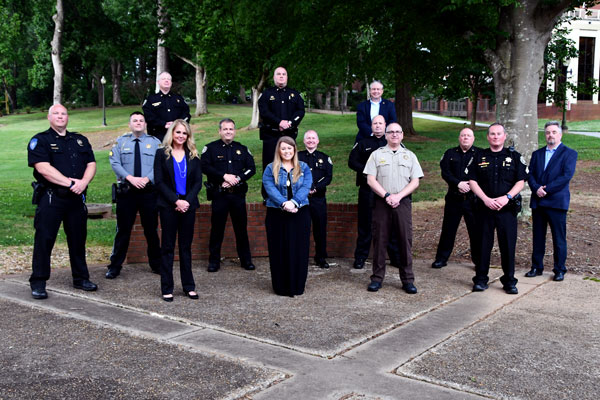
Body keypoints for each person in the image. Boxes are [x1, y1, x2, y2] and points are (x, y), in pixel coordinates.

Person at [27, 104, 97, 299]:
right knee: (45, 239)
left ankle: (81, 278)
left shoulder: (80, 140)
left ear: (68, 117)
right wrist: (70, 183)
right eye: (56, 113)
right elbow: (43, 168)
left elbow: (91, 163)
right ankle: (38, 282)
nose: (60, 116)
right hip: (52, 198)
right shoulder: (40, 140)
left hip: (76, 198)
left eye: (63, 113)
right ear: (49, 117)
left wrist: (83, 183)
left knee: (78, 239)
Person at [467, 122, 528, 294]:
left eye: (498, 134)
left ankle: (509, 281)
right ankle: (480, 279)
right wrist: (485, 199)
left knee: (508, 246)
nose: (495, 137)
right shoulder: (479, 156)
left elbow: (521, 181)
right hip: (484, 208)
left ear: (504, 136)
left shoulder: (514, 157)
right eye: (492, 134)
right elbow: (472, 181)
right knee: (482, 245)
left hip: (506, 209)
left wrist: (506, 197)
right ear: (488, 137)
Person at [363, 123, 423, 294]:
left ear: (402, 135)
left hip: (402, 202)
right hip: (382, 202)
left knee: (405, 240)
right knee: (380, 240)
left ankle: (408, 280)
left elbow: (415, 181)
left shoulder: (410, 156)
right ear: (386, 135)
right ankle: (377, 278)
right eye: (391, 132)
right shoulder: (376, 155)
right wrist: (387, 196)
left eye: (398, 132)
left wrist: (398, 196)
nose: (394, 135)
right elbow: (371, 180)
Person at [106, 112, 162, 279]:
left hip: (148, 192)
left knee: (151, 230)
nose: (138, 123)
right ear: (130, 124)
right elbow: (114, 162)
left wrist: (146, 179)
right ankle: (115, 266)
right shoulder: (120, 142)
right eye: (135, 120)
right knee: (123, 230)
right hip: (127, 192)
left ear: (145, 124)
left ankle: (156, 264)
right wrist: (130, 178)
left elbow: (159, 164)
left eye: (141, 120)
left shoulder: (155, 143)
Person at [154, 120, 203, 302]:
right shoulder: (161, 154)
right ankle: (167, 287)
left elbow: (198, 182)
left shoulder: (194, 155)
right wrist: (176, 201)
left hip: (188, 207)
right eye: (178, 132)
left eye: (184, 133)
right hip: (169, 206)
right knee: (167, 247)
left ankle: (188, 286)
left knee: (185, 248)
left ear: (188, 136)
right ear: (172, 134)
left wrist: (186, 202)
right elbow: (159, 182)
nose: (181, 136)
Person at [201, 118, 256, 272]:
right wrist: (223, 177)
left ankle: (246, 260)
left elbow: (251, 168)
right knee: (217, 229)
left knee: (241, 230)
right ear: (219, 131)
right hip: (220, 195)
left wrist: (237, 179)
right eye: (225, 129)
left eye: (231, 129)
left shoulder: (242, 149)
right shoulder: (210, 149)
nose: (228, 132)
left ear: (235, 131)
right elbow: (204, 166)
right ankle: (214, 262)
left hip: (237, 195)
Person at [526, 121, 577, 282]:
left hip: (557, 202)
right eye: (548, 132)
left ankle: (559, 269)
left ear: (560, 134)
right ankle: (536, 267)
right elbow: (530, 174)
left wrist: (545, 189)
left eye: (554, 132)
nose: (550, 135)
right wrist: (536, 188)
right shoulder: (537, 154)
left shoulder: (569, 154)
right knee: (538, 237)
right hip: (539, 203)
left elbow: (566, 176)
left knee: (558, 238)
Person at [348, 115, 401, 269]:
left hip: (388, 190)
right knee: (365, 224)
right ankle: (360, 258)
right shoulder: (362, 143)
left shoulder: (392, 143)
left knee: (390, 223)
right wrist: (368, 171)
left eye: (380, 123)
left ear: (385, 125)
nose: (378, 126)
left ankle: (395, 257)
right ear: (371, 126)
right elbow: (352, 162)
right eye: (375, 123)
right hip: (367, 189)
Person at [262, 137, 313, 296]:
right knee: (279, 249)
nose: (287, 151)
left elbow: (306, 186)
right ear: (279, 150)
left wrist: (295, 202)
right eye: (283, 148)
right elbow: (269, 188)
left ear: (294, 150)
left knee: (299, 250)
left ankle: (297, 286)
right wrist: (284, 204)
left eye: (289, 148)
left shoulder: (304, 167)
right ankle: (281, 287)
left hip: (300, 213)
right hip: (277, 214)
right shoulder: (270, 169)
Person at [432, 128, 481, 269]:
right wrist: (457, 183)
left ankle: (478, 261)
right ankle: (441, 259)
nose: (466, 138)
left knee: (475, 231)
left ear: (473, 138)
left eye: (468, 136)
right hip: (454, 198)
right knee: (448, 230)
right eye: (463, 135)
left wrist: (471, 185)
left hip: (473, 200)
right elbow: (445, 173)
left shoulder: (480, 154)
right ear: (459, 138)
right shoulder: (450, 153)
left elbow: (483, 175)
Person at [258, 67, 305, 198]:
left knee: (289, 165)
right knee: (269, 165)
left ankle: (289, 194)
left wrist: (290, 123)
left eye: (284, 74)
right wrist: (279, 122)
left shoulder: (294, 94)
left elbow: (300, 111)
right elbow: (264, 111)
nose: (281, 76)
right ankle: (267, 196)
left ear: (287, 77)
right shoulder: (267, 94)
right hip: (270, 136)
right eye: (278, 74)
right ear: (274, 77)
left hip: (288, 136)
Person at [298, 130, 333, 269]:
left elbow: (328, 177)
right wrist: (305, 189)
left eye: (313, 138)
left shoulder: (324, 158)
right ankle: (301, 257)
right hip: (301, 200)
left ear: (318, 141)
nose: (311, 140)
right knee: (301, 229)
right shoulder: (297, 157)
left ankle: (321, 257)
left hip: (318, 199)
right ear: (304, 141)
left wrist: (316, 188)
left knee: (320, 229)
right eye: (308, 138)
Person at [142, 71, 191, 142]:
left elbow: (186, 114)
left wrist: (176, 124)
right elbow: (148, 116)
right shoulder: (151, 99)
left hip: (177, 136)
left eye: (168, 79)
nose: (166, 80)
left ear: (171, 82)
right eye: (163, 79)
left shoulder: (179, 98)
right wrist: (163, 124)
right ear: (158, 82)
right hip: (158, 136)